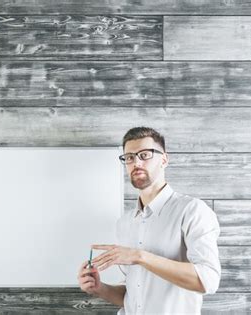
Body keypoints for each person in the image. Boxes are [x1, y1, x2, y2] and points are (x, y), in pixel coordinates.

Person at [77, 127, 221, 314]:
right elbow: (133, 296)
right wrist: (100, 288)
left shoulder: (192, 210)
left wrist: (140, 256)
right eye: (129, 157)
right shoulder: (125, 223)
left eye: (144, 155)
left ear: (164, 159)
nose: (136, 162)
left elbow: (208, 281)